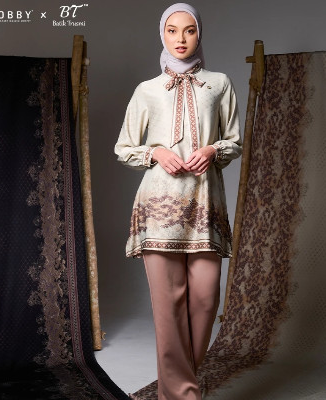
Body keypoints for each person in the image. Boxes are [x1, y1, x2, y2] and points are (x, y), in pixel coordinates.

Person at [114, 3, 242, 399]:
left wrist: (213, 149)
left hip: (204, 205)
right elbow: (124, 147)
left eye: (189, 30)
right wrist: (155, 152)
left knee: (204, 299)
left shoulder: (219, 84)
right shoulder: (147, 90)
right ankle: (184, 395)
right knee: (168, 309)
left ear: (199, 34)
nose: (181, 39)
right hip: (159, 208)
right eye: (172, 30)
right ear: (162, 35)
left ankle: (175, 388)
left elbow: (234, 141)